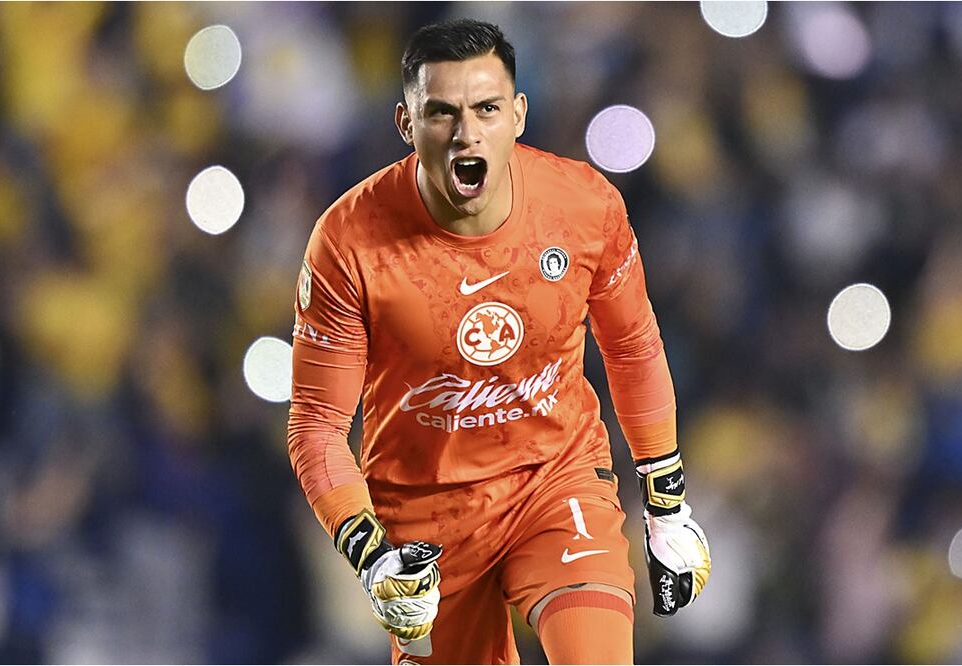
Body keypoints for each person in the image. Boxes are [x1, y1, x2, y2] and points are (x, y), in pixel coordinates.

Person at [288, 18, 711, 665]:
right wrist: (370, 554)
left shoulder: (583, 207)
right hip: (425, 520)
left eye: (486, 108)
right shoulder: (348, 242)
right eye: (441, 112)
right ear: (405, 124)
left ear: (517, 114)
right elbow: (317, 425)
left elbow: (631, 346)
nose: (466, 133)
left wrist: (667, 502)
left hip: (554, 480)